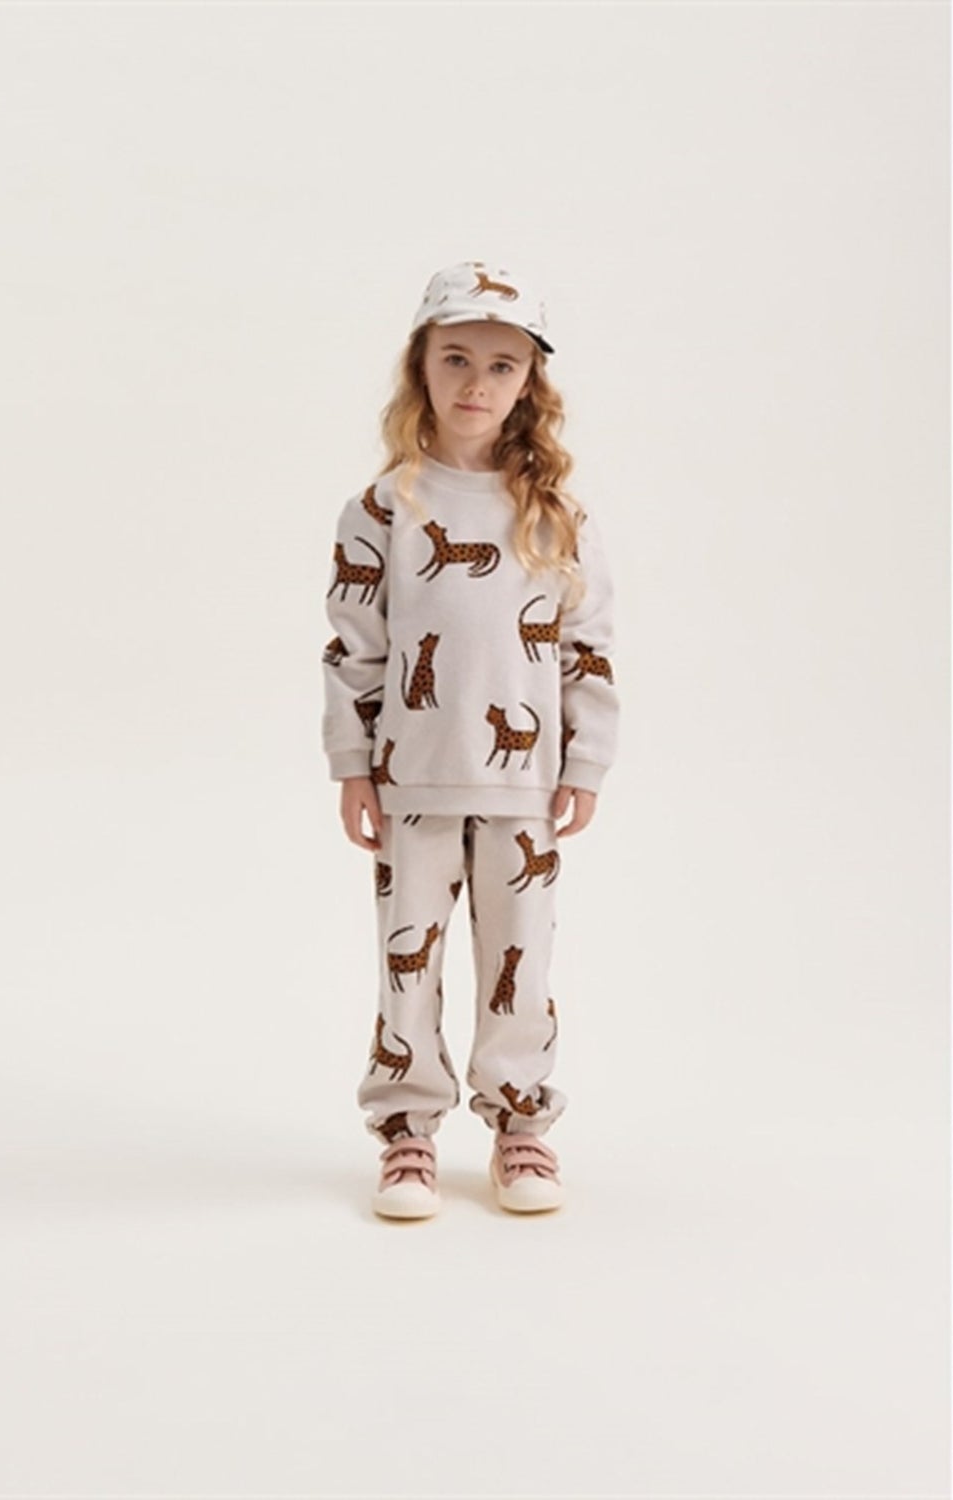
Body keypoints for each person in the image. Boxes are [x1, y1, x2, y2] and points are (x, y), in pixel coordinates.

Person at [320, 259, 619, 1221]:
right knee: (406, 961)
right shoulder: (382, 510)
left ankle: (520, 1124)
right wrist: (352, 764)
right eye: (455, 359)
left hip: (524, 789)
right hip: (412, 780)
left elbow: (585, 647)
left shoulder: (556, 516)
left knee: (519, 963)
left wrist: (585, 761)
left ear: (529, 382)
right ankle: (407, 1131)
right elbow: (354, 648)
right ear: (422, 365)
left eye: (500, 365)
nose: (476, 384)